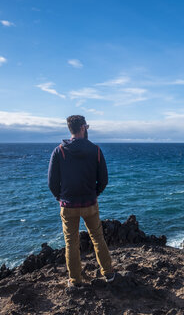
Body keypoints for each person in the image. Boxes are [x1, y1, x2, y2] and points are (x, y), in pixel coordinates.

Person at [48, 115, 115, 287]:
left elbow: (52, 183)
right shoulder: (96, 150)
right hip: (90, 204)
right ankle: (108, 273)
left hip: (68, 205)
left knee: (71, 243)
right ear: (83, 128)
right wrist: (95, 194)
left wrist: (60, 198)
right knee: (98, 238)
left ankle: (75, 280)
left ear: (70, 129)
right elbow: (104, 179)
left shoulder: (59, 151)